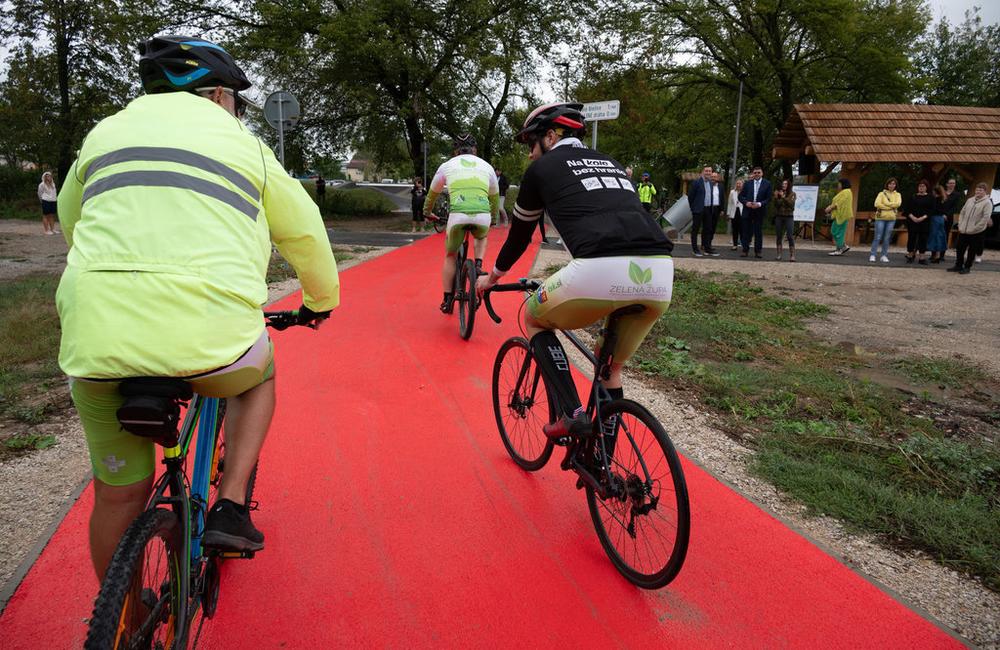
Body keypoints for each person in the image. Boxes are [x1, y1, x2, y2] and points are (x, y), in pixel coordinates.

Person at [56, 35, 340, 580]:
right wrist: (319, 302)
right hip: (211, 340)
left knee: (118, 497)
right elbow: (305, 234)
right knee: (259, 373)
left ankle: (123, 626)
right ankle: (230, 503)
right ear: (216, 97)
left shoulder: (103, 133)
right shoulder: (245, 145)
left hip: (96, 337)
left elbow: (73, 220)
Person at [476, 102, 673, 452]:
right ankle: (604, 461)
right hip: (659, 272)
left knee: (533, 317)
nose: (530, 154)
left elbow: (520, 236)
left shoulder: (542, 170)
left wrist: (492, 277)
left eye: (531, 144)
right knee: (609, 368)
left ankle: (573, 413)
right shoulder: (610, 162)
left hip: (599, 268)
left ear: (550, 137)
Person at [424, 133, 499, 313]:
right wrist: (493, 219)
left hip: (457, 215)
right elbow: (494, 199)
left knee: (450, 255)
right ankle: (479, 264)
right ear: (475, 150)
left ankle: (447, 299)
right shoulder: (487, 166)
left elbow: (432, 194)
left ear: (455, 151)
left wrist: (427, 212)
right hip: (482, 215)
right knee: (481, 236)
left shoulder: (446, 166)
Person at [948, 182, 992, 275]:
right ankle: (958, 265)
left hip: (976, 232)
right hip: (964, 230)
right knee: (960, 248)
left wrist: (975, 228)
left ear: (985, 191)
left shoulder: (987, 203)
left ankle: (967, 267)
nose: (978, 191)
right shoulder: (970, 200)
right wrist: (960, 224)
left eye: (981, 190)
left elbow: (985, 218)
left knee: (972, 250)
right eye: (977, 189)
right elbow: (962, 212)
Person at [686, 165, 721, 257]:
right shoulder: (696, 182)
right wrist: (693, 208)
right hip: (698, 209)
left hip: (708, 209)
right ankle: (695, 249)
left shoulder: (710, 183)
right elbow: (690, 197)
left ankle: (707, 249)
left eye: (710, 171)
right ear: (702, 172)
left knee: (708, 229)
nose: (708, 173)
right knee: (695, 229)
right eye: (706, 171)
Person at [737, 166, 771, 258]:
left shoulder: (767, 184)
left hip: (759, 210)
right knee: (746, 231)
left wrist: (760, 204)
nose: (757, 174)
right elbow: (740, 197)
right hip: (748, 210)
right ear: (753, 173)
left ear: (762, 173)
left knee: (758, 232)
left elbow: (768, 198)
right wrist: (746, 203)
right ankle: (745, 250)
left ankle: (758, 251)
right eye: (755, 172)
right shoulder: (748, 183)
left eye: (758, 172)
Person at [870, 177, 901, 263]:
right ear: (887, 184)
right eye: (890, 183)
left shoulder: (898, 195)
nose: (892, 185)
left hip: (891, 219)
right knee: (877, 237)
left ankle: (884, 255)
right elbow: (877, 204)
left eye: (893, 184)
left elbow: (898, 204)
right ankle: (873, 254)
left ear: (896, 185)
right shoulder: (881, 194)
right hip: (880, 218)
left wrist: (885, 205)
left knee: (887, 238)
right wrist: (891, 206)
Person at [903, 179, 933, 264]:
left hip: (924, 222)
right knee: (911, 238)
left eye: (923, 186)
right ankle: (910, 255)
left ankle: (922, 257)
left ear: (927, 187)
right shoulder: (913, 197)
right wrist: (913, 217)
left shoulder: (930, 198)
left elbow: (932, 210)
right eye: (920, 186)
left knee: (923, 239)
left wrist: (922, 218)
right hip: (912, 221)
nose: (921, 188)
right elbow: (906, 209)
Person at [824, 178, 853, 256]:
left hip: (842, 216)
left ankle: (840, 248)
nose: (838, 185)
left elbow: (839, 203)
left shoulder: (846, 192)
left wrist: (830, 208)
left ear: (843, 184)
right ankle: (842, 247)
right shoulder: (845, 192)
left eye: (839, 183)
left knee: (838, 232)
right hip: (839, 215)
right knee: (835, 231)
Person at [773, 179, 796, 261]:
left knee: (790, 236)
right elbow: (777, 205)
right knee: (779, 235)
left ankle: (792, 255)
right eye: (783, 184)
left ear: (789, 185)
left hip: (789, 216)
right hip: (779, 216)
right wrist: (776, 198)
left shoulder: (792, 194)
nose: (784, 185)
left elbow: (791, 205)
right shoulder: (779, 193)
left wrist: (783, 197)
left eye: (785, 184)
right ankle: (779, 254)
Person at [940, 177, 960, 263]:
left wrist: (946, 215)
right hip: (938, 216)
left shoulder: (957, 194)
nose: (952, 185)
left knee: (945, 235)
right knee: (937, 234)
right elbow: (937, 204)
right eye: (950, 183)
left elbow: (955, 207)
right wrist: (941, 214)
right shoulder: (941, 193)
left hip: (948, 218)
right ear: (947, 184)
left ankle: (941, 255)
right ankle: (934, 254)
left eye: (953, 183)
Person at [726, 178, 743, 250]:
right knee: (735, 229)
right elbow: (729, 203)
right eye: (737, 183)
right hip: (734, 212)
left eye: (740, 183)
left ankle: (743, 244)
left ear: (742, 184)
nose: (738, 185)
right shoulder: (732, 192)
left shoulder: (745, 192)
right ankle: (735, 244)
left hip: (742, 212)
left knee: (742, 229)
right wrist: (728, 213)